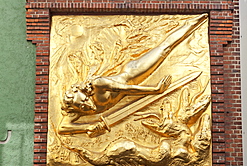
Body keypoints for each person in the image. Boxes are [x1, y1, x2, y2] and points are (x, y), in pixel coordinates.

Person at [62, 14, 207, 118]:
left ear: (85, 93)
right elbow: (63, 128)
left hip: (134, 73)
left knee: (165, 47)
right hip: (131, 84)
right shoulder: (82, 110)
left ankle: (194, 22)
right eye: (81, 107)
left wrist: (154, 90)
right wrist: (89, 128)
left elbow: (126, 89)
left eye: (84, 100)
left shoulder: (97, 84)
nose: (86, 106)